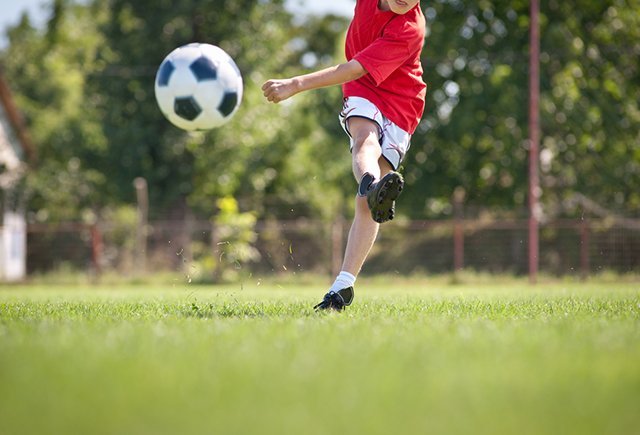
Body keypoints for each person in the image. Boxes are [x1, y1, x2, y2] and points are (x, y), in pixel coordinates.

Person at [262, 0, 426, 311]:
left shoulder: (410, 28)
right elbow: (358, 76)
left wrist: (296, 84)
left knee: (365, 205)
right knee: (364, 139)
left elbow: (355, 66)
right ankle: (371, 183)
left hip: (404, 104)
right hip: (363, 90)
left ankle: (342, 287)